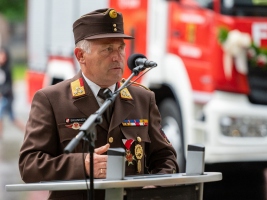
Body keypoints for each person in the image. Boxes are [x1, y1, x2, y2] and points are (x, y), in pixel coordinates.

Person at [19, 8, 179, 200]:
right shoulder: (51, 100)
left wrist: (156, 186)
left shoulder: (143, 99)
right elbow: (29, 166)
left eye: (120, 48)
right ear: (80, 56)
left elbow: (165, 158)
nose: (117, 56)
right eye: (107, 49)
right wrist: (82, 165)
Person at [0, 47, 25, 139]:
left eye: (3, 56)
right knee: (13, 118)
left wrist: (2, 93)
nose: (2, 58)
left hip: (7, 97)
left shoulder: (7, 69)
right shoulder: (1, 68)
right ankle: (26, 130)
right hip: (3, 97)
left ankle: (0, 137)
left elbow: (9, 85)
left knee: (0, 116)